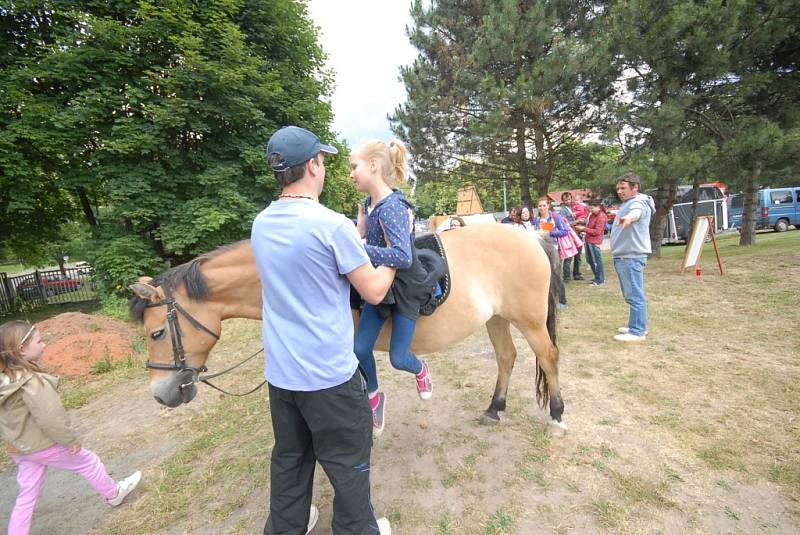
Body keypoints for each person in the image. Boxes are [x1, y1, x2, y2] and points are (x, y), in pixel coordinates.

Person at [252, 126, 394, 534]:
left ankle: (288, 525)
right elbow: (374, 290)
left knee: (291, 458)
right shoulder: (331, 225)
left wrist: (357, 238)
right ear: (312, 165)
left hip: (282, 376)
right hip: (329, 376)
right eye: (324, 160)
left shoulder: (261, 224)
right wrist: (396, 258)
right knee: (349, 460)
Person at [0, 321, 141, 535]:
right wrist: (69, 440)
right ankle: (114, 493)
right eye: (39, 341)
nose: (44, 345)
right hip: (44, 445)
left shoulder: (5, 382)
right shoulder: (31, 382)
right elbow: (50, 417)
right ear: (22, 349)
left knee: (27, 493)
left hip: (21, 449)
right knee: (88, 462)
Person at [351, 139, 433, 437]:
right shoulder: (369, 205)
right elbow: (366, 237)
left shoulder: (393, 207)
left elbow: (402, 256)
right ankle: (374, 397)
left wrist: (360, 249)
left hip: (404, 286)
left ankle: (420, 369)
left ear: (373, 166)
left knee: (399, 358)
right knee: (359, 349)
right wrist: (359, 233)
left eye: (354, 166)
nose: (351, 174)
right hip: (379, 286)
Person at [610, 172, 655, 342]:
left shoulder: (638, 203)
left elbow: (636, 213)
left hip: (630, 257)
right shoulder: (628, 202)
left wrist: (629, 218)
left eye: (623, 188)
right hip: (625, 257)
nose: (620, 191)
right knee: (631, 294)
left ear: (635, 188)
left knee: (635, 295)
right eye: (618, 188)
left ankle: (638, 331)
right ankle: (635, 324)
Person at [533, 197, 570, 309]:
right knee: (543, 274)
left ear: (548, 206)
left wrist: (551, 232)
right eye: (540, 206)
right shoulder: (536, 220)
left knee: (556, 274)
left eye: (544, 205)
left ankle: (562, 301)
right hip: (541, 248)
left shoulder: (555, 217)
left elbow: (565, 231)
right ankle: (548, 300)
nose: (542, 208)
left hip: (553, 248)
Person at [558, 192, 585, 281]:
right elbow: (563, 223)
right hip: (570, 235)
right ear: (563, 201)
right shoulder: (563, 210)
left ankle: (577, 274)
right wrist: (576, 222)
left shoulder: (574, 207)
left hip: (578, 233)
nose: (568, 201)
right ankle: (567, 276)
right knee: (569, 256)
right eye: (565, 200)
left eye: (569, 199)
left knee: (578, 256)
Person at [582, 199, 608, 285]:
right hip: (588, 240)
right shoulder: (592, 215)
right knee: (590, 260)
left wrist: (583, 229)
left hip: (595, 242)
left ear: (598, 207)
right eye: (589, 208)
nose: (590, 210)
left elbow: (597, 231)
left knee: (596, 261)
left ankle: (600, 279)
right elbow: (589, 225)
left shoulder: (601, 216)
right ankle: (597, 277)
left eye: (592, 208)